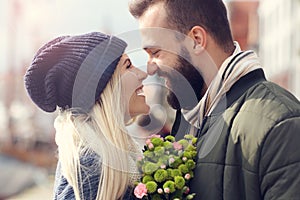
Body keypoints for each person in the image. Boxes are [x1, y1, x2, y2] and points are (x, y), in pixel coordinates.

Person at [128, 0, 300, 199]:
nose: (150, 68)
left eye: (155, 52)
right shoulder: (190, 121)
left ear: (196, 39)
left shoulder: (281, 124)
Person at [24, 32, 150, 200]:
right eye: (128, 66)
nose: (143, 74)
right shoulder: (90, 169)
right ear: (104, 89)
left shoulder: (103, 159)